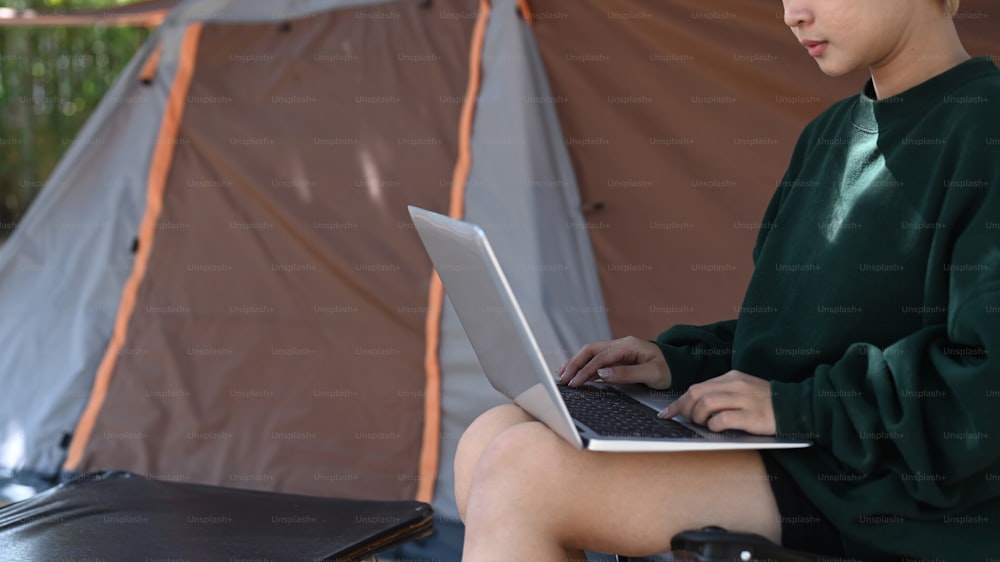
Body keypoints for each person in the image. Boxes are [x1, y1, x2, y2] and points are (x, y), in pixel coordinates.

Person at [453, 0, 1000, 560]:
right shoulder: (828, 137)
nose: (793, 14)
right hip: (812, 445)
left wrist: (802, 409)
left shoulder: (986, 127)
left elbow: (984, 386)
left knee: (525, 476)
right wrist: (680, 365)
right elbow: (795, 338)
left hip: (914, 495)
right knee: (491, 434)